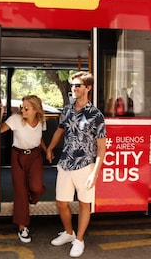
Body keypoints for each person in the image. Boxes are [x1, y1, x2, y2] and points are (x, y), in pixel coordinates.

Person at [46, 71, 107, 258]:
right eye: (72, 85)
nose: (73, 88)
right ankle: (68, 233)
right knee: (61, 202)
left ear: (88, 88)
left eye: (77, 85)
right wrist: (50, 148)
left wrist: (94, 174)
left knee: (83, 204)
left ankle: (79, 239)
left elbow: (101, 148)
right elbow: (60, 130)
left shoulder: (96, 115)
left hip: (85, 165)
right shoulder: (67, 110)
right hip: (65, 163)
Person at [0, 95, 47, 243]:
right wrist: (1, 114)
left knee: (36, 187)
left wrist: (47, 151)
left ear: (35, 109)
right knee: (20, 193)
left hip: (35, 156)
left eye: (26, 108)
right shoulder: (15, 119)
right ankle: (22, 227)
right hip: (18, 157)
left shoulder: (41, 121)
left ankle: (31, 196)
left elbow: (39, 139)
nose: (23, 110)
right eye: (22, 107)